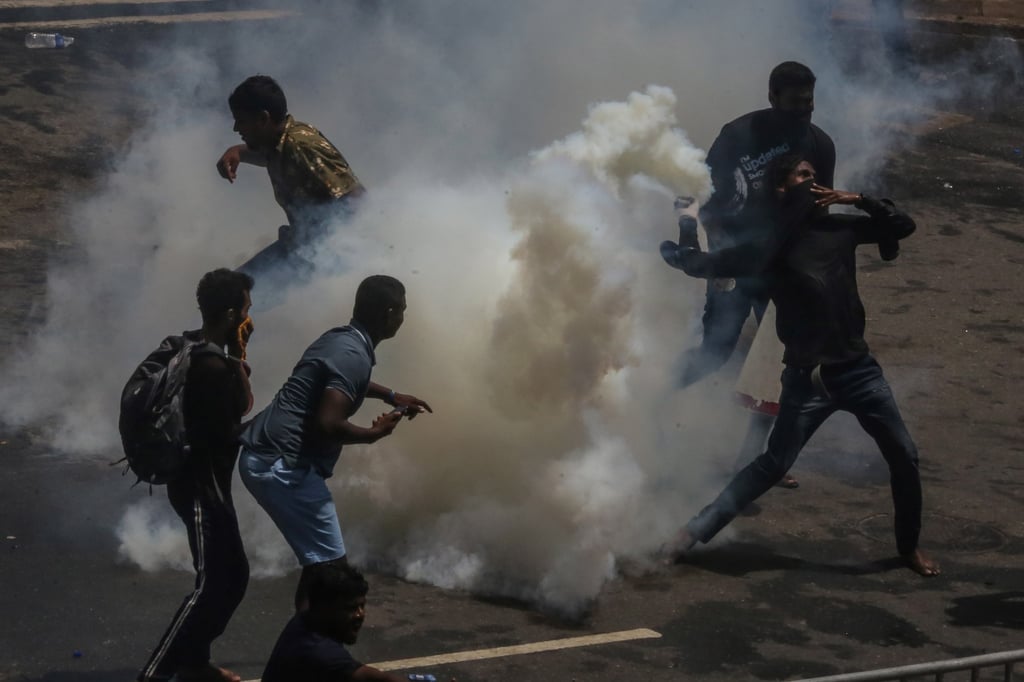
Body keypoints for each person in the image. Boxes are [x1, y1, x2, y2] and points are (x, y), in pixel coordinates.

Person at [661, 154, 940, 577]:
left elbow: (902, 225)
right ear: (781, 189)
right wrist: (687, 223)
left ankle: (908, 547)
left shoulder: (839, 229)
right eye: (803, 175)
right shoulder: (767, 250)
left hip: (860, 371)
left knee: (904, 455)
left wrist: (860, 198)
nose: (815, 182)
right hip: (809, 379)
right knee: (772, 465)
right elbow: (697, 265)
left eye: (817, 176)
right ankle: (689, 534)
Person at [239, 275, 432, 610]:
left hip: (266, 455)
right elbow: (329, 424)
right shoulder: (352, 354)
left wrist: (389, 395)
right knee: (331, 572)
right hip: (282, 465)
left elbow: (344, 380)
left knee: (320, 568)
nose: (403, 317)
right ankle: (310, 651)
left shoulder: (341, 340)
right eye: (402, 310)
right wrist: (375, 434)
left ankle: (305, 648)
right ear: (388, 313)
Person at [138, 269, 256, 682]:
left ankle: (193, 662)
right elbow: (238, 411)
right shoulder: (212, 368)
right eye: (245, 311)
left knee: (234, 573)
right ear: (229, 314)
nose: (249, 318)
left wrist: (236, 353)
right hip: (200, 488)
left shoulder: (196, 344)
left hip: (204, 485)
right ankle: (156, 674)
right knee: (213, 583)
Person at [216, 75, 366, 296]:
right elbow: (268, 155)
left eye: (241, 120)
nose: (236, 127)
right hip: (299, 247)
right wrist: (237, 151)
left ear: (263, 119)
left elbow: (357, 200)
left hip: (320, 256)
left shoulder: (302, 146)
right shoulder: (278, 142)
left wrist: (332, 262)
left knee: (235, 297)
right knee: (231, 291)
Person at [262, 561, 408, 682]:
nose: (360, 614)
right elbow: (377, 679)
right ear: (325, 609)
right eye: (350, 608)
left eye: (362, 606)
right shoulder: (321, 653)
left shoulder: (304, 619)